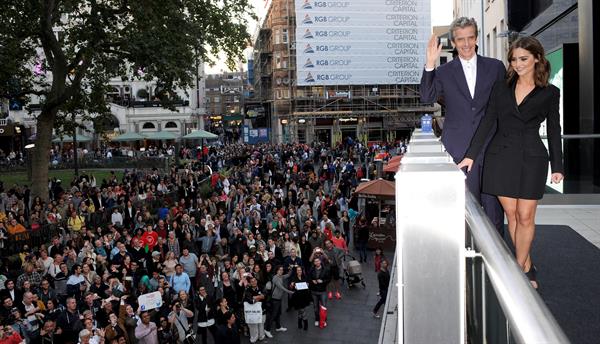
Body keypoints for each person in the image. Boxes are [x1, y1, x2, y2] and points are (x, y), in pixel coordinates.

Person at [458, 36, 564, 289]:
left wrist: (558, 166)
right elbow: (487, 122)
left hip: (532, 158)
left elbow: (553, 129)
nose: (517, 64)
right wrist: (471, 154)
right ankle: (526, 265)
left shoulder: (550, 92)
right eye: (514, 59)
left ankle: (517, 272)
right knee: (512, 215)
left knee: (526, 216)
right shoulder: (501, 88)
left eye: (523, 59)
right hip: (501, 156)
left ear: (537, 58)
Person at [420, 16, 506, 235]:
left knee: (493, 211)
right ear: (454, 42)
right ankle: (465, 259)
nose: (466, 44)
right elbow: (426, 96)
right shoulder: (443, 72)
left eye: (470, 38)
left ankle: (494, 263)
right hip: (458, 150)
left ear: (476, 38)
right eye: (460, 39)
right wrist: (430, 64)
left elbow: (503, 108)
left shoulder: (496, 68)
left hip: (491, 149)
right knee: (462, 209)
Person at [308, 254, 330, 328]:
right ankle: (317, 319)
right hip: (314, 291)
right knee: (315, 307)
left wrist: (322, 281)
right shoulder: (311, 269)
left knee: (323, 306)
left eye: (318, 261)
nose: (317, 262)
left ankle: (324, 320)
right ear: (314, 263)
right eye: (315, 261)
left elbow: (328, 279)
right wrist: (312, 281)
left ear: (320, 261)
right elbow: (309, 278)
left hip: (322, 291)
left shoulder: (325, 269)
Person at [289, 266, 312, 331]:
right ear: (296, 271)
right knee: (301, 311)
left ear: (302, 271)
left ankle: (301, 323)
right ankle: (303, 323)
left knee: (301, 311)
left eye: (300, 270)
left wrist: (308, 285)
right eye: (298, 270)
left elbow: (308, 286)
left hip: (304, 297)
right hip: (297, 298)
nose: (299, 271)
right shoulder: (293, 278)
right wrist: (291, 285)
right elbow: (290, 288)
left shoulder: (305, 277)